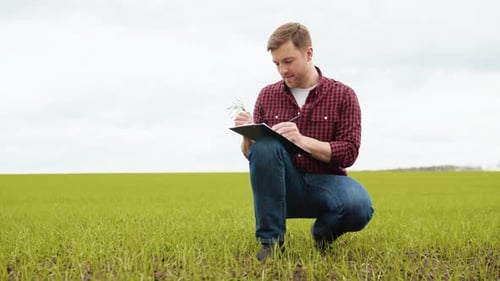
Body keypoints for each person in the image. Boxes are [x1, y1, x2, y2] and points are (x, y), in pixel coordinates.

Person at [234, 22, 374, 261]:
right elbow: (254, 155)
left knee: (358, 206)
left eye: (288, 61)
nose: (282, 70)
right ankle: (271, 244)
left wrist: (302, 141)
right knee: (266, 147)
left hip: (327, 184)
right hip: (283, 185)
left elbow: (349, 152)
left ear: (308, 53)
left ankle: (322, 234)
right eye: (276, 64)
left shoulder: (343, 95)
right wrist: (248, 134)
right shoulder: (267, 95)